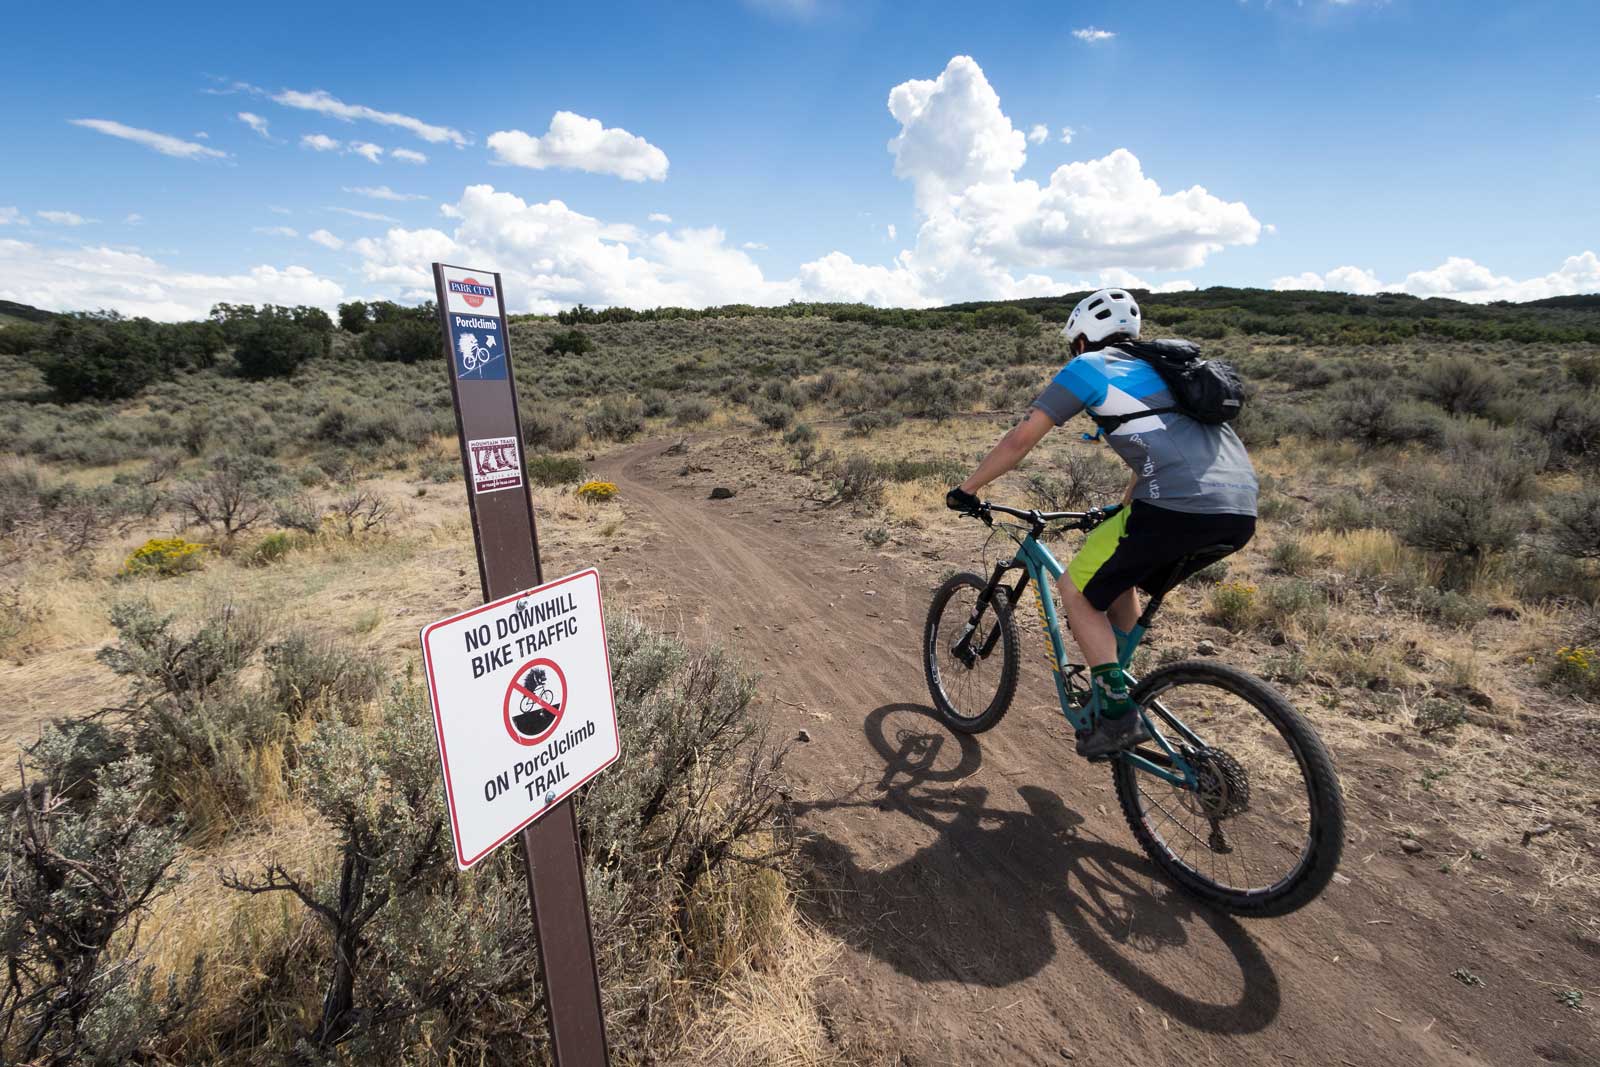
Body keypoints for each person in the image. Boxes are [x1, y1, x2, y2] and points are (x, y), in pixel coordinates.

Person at [945, 288, 1258, 758]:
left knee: (1076, 591)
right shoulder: (1166, 369)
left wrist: (967, 490)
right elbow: (1156, 449)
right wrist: (1124, 507)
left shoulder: (1088, 368)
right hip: (1237, 508)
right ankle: (1122, 677)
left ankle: (1114, 710)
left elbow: (1019, 441)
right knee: (1118, 577)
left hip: (1174, 506)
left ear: (1081, 339)